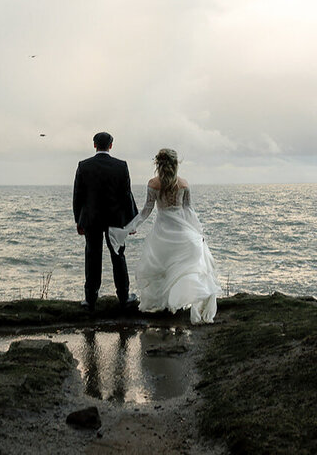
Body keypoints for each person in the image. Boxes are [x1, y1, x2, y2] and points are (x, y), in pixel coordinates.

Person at [121, 148, 220, 324]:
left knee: (164, 268)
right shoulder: (183, 184)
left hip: (162, 232)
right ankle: (177, 303)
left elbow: (146, 210)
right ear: (176, 164)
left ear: (158, 164)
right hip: (182, 231)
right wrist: (198, 232)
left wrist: (132, 226)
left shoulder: (153, 184)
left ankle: (167, 305)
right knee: (181, 269)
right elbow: (189, 210)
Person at [72, 132, 139, 311]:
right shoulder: (121, 166)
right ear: (111, 145)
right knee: (118, 256)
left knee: (92, 257)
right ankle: (124, 298)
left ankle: (90, 300)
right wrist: (130, 222)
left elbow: (78, 195)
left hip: (91, 219)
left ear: (94, 145)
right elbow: (126, 196)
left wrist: (78, 220)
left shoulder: (84, 166)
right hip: (115, 220)